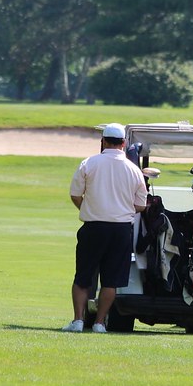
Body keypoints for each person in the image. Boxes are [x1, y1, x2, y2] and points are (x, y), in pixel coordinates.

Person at [64, 123, 148, 333]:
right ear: (124, 143)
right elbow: (141, 205)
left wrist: (88, 208)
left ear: (102, 141)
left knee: (83, 276)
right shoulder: (133, 169)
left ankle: (78, 321)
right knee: (111, 280)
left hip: (93, 226)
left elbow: (75, 194)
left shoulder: (89, 163)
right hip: (121, 230)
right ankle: (100, 323)